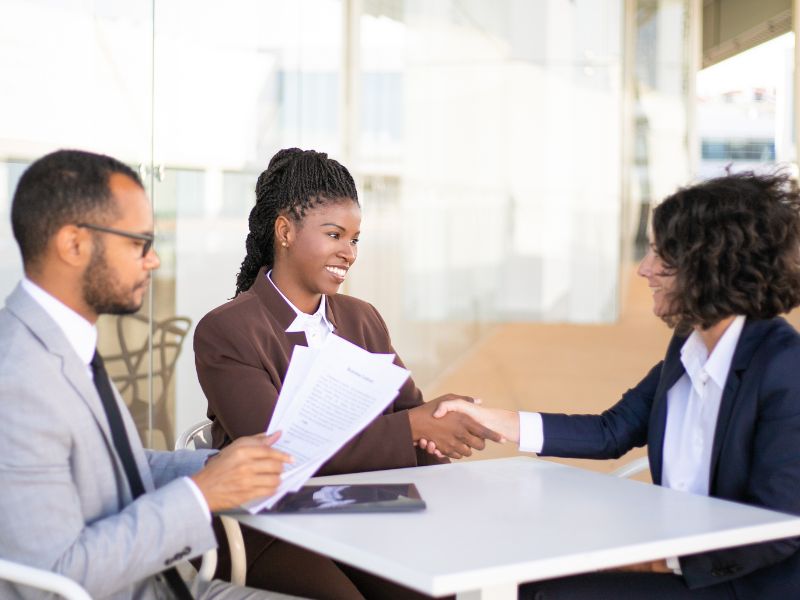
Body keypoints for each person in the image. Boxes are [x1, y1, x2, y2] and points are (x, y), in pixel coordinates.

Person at [429, 172, 800, 599]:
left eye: (660, 254)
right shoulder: (690, 342)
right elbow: (613, 430)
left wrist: (657, 560)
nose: (643, 270)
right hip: (678, 560)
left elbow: (778, 530)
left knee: (550, 593)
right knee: (529, 582)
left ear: (708, 265)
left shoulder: (784, 370)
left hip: (741, 584)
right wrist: (493, 420)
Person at [194, 148, 499, 599]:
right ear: (285, 231)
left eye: (355, 239)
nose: (349, 252)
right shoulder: (227, 330)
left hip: (363, 507)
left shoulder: (361, 319)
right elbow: (281, 451)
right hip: (267, 523)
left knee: (433, 588)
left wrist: (440, 427)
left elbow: (410, 414)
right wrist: (413, 425)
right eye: (335, 234)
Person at [0, 149, 297, 600]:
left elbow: (116, 468)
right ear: (73, 244)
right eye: (138, 243)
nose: (154, 261)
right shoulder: (18, 378)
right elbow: (61, 576)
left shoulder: (61, 342)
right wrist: (201, 496)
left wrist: (221, 467)